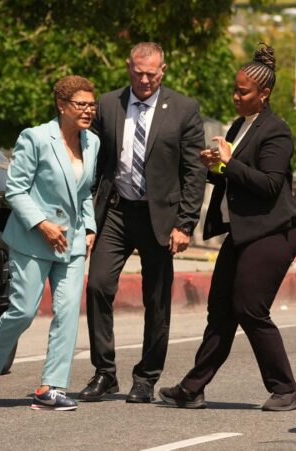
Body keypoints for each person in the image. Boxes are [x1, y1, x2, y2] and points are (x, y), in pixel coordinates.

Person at [158, 44, 296, 412]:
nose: (236, 97)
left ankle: (286, 388)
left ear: (264, 94)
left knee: (250, 307)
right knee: (221, 309)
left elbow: (270, 184)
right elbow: (236, 176)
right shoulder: (240, 126)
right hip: (244, 231)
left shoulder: (276, 132)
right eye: (235, 90)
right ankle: (192, 388)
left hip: (274, 233)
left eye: (244, 92)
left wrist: (229, 162)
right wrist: (216, 167)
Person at [78, 42, 206, 403]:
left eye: (152, 73)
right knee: (98, 287)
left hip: (160, 216)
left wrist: (186, 223)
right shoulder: (107, 104)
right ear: (128, 67)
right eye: (138, 72)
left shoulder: (183, 109)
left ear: (163, 70)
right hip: (116, 211)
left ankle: (146, 378)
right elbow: (92, 158)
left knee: (157, 299)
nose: (145, 79)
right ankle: (105, 372)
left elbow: (194, 171)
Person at [0, 76, 99, 411]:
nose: (88, 111)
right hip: (33, 239)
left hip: (70, 242)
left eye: (92, 105)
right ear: (62, 106)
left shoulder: (93, 143)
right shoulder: (36, 138)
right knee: (23, 311)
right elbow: (15, 189)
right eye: (81, 105)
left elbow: (84, 191)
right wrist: (43, 225)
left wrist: (88, 227)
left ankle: (51, 387)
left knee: (68, 312)